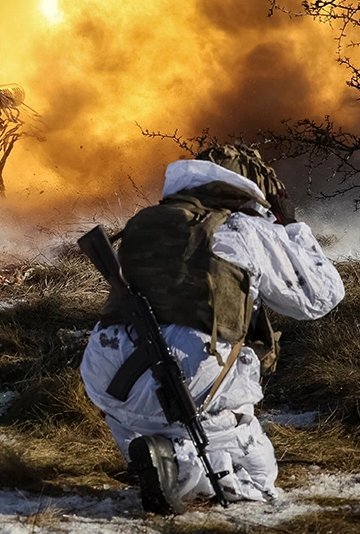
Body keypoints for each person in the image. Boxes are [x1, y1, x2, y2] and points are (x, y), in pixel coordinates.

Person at [79, 144, 344, 514]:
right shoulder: (243, 228)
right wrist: (292, 227)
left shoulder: (144, 221)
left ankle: (155, 459)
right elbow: (320, 297)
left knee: (150, 424)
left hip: (106, 378)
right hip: (188, 377)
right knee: (257, 478)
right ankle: (175, 459)